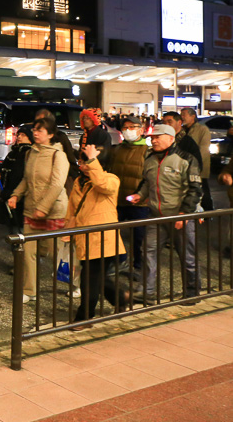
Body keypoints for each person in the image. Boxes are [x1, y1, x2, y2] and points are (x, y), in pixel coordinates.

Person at [128, 124, 202, 305]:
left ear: (170, 138)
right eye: (152, 137)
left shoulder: (186, 159)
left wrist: (184, 214)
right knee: (148, 252)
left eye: (158, 137)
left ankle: (192, 292)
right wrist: (140, 195)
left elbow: (195, 189)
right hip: (156, 216)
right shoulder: (150, 159)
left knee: (187, 256)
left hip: (180, 217)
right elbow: (147, 182)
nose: (153, 140)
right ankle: (147, 291)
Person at [65, 144, 129, 327]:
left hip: (103, 239)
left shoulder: (111, 179)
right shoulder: (79, 182)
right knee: (97, 277)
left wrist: (92, 161)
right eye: (81, 161)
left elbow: (102, 184)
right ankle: (121, 298)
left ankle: (85, 317)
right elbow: (72, 209)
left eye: (86, 161)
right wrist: (66, 230)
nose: (82, 165)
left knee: (89, 278)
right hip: (84, 238)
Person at [8, 116, 70, 303]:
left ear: (51, 135)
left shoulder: (58, 155)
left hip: (54, 211)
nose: (35, 133)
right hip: (31, 210)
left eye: (40, 130)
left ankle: (75, 284)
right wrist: (16, 195)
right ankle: (29, 290)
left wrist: (43, 208)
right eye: (34, 130)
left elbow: (57, 184)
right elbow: (27, 179)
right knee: (29, 253)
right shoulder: (31, 153)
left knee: (57, 255)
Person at [108, 116, 150, 280]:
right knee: (111, 232)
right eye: (125, 127)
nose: (128, 130)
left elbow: (149, 177)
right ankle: (119, 260)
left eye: (133, 127)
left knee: (139, 237)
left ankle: (138, 267)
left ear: (141, 130)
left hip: (139, 202)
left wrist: (141, 195)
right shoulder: (117, 149)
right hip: (117, 199)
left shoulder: (147, 151)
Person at [0, 126, 34, 235]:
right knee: (12, 224)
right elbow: (4, 170)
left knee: (21, 225)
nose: (19, 137)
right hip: (8, 194)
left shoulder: (31, 154)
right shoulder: (12, 154)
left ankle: (21, 245)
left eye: (23, 135)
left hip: (22, 196)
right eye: (18, 135)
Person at [181, 107, 213, 211]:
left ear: (193, 116)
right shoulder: (183, 130)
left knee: (203, 188)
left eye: (184, 115)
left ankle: (208, 211)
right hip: (186, 165)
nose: (182, 118)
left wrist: (196, 164)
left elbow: (203, 149)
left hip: (199, 165)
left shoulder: (202, 129)